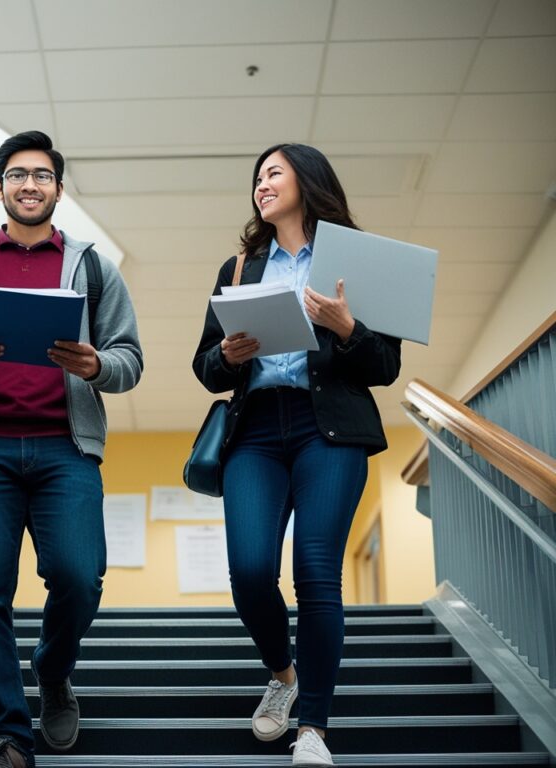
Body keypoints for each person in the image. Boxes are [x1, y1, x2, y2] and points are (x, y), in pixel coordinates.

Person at [0, 130, 143, 768]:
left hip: (65, 450)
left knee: (78, 576)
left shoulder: (94, 266)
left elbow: (130, 362)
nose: (30, 185)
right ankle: (6, 738)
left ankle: (53, 667)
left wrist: (96, 365)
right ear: (0, 188)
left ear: (58, 189)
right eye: (18, 175)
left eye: (42, 175)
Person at [192, 144, 401, 766]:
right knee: (251, 570)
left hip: (328, 429)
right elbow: (206, 367)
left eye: (274, 173)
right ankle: (282, 674)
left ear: (308, 181)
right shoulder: (239, 267)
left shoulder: (356, 262)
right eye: (257, 177)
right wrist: (227, 357)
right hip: (255, 431)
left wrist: (346, 328)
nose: (262, 184)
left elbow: (384, 365)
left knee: (315, 571)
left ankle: (313, 727)